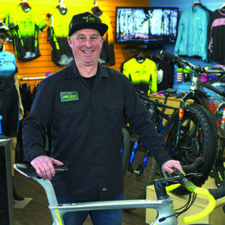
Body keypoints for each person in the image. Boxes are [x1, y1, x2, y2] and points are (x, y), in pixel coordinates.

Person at [22, 12, 182, 225]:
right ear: (70, 42)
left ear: (102, 41)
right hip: (69, 191)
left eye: (94, 37)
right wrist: (37, 155)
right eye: (81, 37)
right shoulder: (52, 85)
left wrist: (164, 158)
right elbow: (33, 124)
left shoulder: (120, 83)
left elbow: (143, 124)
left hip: (110, 191)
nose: (88, 44)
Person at [0, 21, 24, 200]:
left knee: (13, 143)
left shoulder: (10, 56)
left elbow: (15, 80)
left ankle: (10, 185)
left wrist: (21, 104)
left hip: (12, 102)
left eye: (1, 37)